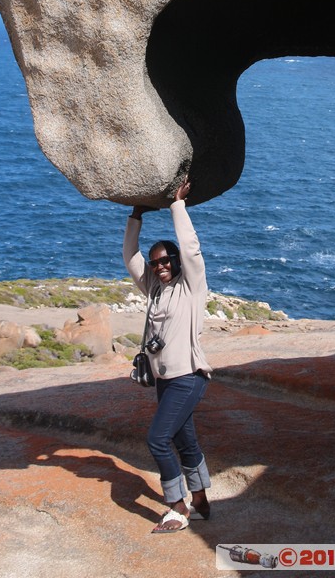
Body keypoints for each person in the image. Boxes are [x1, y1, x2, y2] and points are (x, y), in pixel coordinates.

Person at [123, 178, 212, 533]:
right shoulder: (155, 289)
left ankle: (177, 506)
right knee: (182, 439)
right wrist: (136, 217)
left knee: (157, 439)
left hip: (188, 377)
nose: (159, 265)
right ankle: (201, 498)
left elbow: (191, 251)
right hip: (164, 380)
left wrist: (178, 205)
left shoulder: (191, 286)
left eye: (165, 260)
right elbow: (130, 257)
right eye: (155, 261)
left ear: (175, 261)